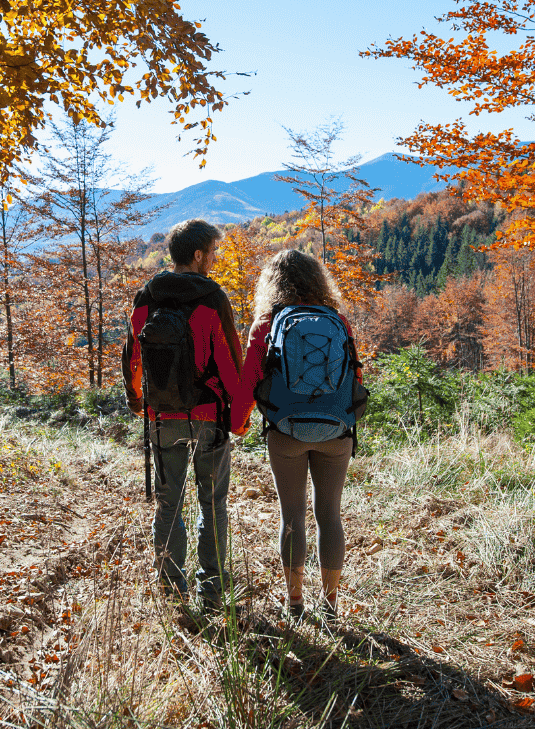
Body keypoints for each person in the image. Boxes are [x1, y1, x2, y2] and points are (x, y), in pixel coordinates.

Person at [122, 219, 247, 613]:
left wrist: (137, 398)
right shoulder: (212, 298)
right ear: (197, 255)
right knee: (212, 502)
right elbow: (231, 362)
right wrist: (239, 418)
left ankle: (171, 588)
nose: (214, 258)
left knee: (168, 500)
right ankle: (211, 592)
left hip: (163, 413)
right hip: (209, 413)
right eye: (212, 252)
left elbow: (132, 354)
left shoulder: (147, 296)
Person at [234, 249, 365, 619]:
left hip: (285, 430)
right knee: (330, 516)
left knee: (291, 516)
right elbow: (355, 379)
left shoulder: (266, 324)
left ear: (272, 284)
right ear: (317, 280)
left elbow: (248, 385)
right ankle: (331, 603)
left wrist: (238, 425)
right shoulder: (338, 320)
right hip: (335, 432)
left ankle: (294, 603)